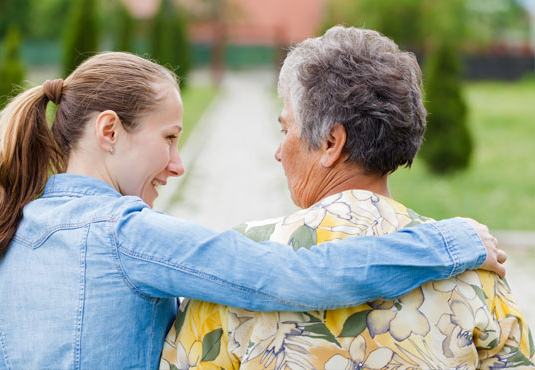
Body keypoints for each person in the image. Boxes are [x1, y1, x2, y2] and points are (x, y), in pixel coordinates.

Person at [0, 52, 505, 369]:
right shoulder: (125, 235)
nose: (176, 165)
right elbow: (294, 277)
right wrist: (449, 243)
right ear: (109, 130)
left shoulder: (9, 230)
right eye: (170, 138)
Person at [161, 26, 533, 369]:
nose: (278, 151)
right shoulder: (476, 271)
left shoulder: (239, 266)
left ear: (330, 143)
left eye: (286, 128)